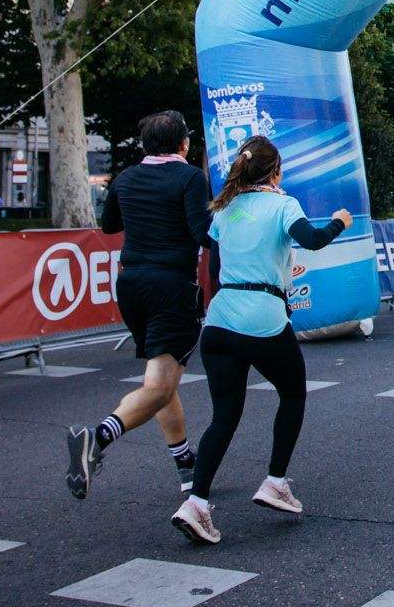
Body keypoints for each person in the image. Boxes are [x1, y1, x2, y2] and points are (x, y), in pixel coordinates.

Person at [171, 134, 351, 546]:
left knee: (223, 416)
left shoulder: (225, 208)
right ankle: (275, 481)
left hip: (219, 320)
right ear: (276, 170)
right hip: (264, 315)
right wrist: (340, 221)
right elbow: (311, 239)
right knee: (292, 394)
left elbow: (215, 267)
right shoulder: (283, 204)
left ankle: (196, 503)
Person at [67, 111, 212, 501]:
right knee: (161, 384)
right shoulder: (190, 178)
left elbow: (110, 226)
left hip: (130, 284)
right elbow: (203, 233)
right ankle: (96, 440)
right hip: (171, 285)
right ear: (183, 144)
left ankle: (186, 465)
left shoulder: (126, 178)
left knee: (161, 380)